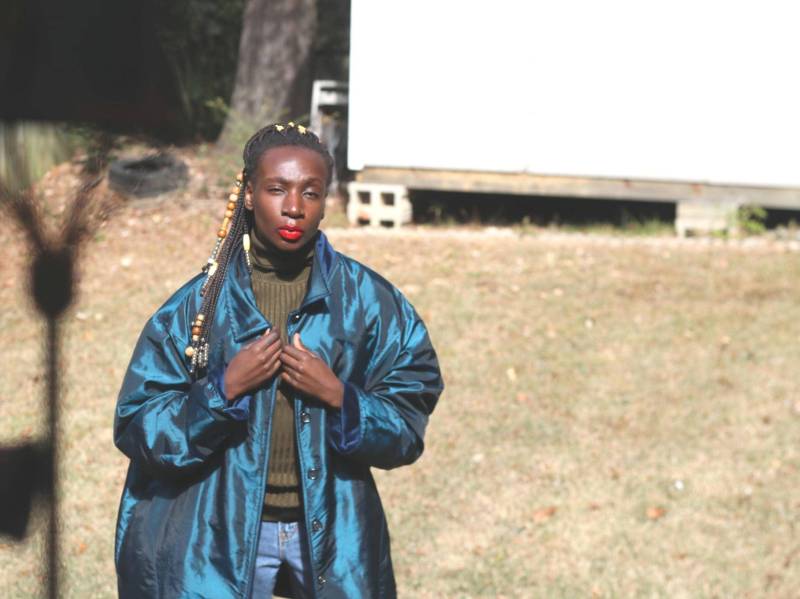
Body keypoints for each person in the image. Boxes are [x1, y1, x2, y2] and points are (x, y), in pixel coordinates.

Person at [113, 122, 444, 598]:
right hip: (216, 536)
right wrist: (222, 392)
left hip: (332, 532)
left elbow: (407, 420)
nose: (294, 207)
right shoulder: (197, 307)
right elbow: (137, 425)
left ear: (326, 200)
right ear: (248, 194)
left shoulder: (368, 301)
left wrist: (340, 397)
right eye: (276, 189)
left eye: (311, 192)